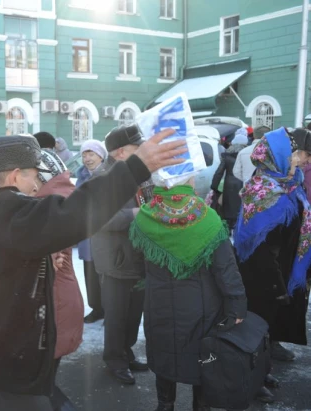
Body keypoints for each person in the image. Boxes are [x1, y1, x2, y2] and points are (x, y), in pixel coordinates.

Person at [0, 131, 187, 411]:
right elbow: (74, 213)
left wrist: (41, 259)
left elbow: (1, 252)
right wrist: (136, 167)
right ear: (14, 175)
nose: (37, 185)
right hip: (2, 356)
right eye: (34, 176)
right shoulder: (6, 209)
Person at [130, 175, 247, 411]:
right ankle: (201, 407)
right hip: (202, 306)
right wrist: (236, 305)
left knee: (164, 353)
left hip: (158, 303)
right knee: (202, 357)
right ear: (189, 183)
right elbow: (226, 268)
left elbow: (136, 264)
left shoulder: (145, 216)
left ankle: (165, 404)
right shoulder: (207, 219)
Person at [234, 128, 311, 371]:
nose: (306, 160)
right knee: (258, 323)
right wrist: (276, 284)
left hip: (284, 265)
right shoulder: (262, 191)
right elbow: (258, 249)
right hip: (264, 274)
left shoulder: (291, 182)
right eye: (300, 155)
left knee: (270, 322)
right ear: (282, 155)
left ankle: (266, 358)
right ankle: (254, 375)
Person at [91, 125, 150, 385]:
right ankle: (114, 359)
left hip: (137, 254)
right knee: (116, 314)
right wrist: (134, 215)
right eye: (138, 148)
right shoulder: (103, 178)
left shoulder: (134, 173)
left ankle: (126, 351)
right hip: (115, 257)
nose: (143, 151)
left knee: (134, 311)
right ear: (121, 151)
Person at [32, 149, 84, 411]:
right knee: (47, 376)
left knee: (42, 383)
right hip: (66, 295)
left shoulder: (46, 204)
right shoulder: (64, 196)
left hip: (53, 300)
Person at [76, 139, 107, 323]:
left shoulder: (108, 174)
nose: (87, 158)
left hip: (105, 232)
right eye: (84, 154)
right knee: (90, 273)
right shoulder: (81, 177)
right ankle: (96, 308)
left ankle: (110, 309)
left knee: (106, 274)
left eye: (91, 154)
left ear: (101, 156)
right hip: (86, 233)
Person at [210, 127, 246, 230]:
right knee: (241, 210)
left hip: (229, 186)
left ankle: (229, 230)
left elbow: (219, 172)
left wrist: (214, 186)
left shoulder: (227, 155)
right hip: (243, 184)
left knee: (228, 211)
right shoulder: (248, 154)